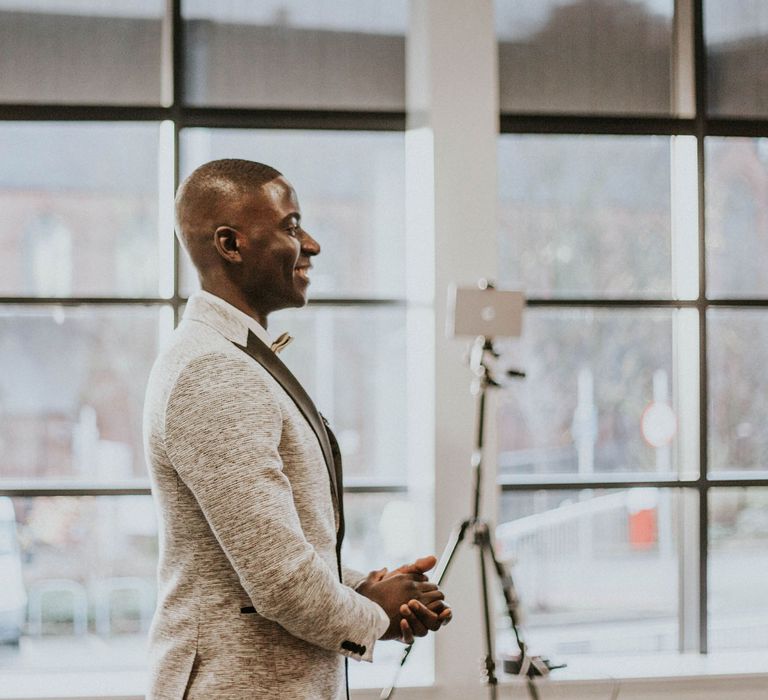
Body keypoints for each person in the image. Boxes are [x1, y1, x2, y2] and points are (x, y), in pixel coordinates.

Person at [143, 159, 451, 699]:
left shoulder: (235, 357)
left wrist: (371, 589)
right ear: (229, 244)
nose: (311, 244)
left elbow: (281, 548)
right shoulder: (212, 371)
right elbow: (281, 582)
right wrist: (375, 613)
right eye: (290, 227)